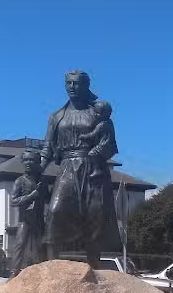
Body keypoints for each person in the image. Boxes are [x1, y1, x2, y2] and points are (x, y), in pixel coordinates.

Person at [42, 70, 121, 269]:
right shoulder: (57, 116)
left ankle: (93, 267)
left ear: (86, 86)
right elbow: (47, 148)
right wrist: (37, 171)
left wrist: (97, 153)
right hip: (67, 168)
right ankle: (52, 268)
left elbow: (110, 144)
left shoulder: (98, 113)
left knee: (94, 217)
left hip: (94, 170)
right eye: (68, 83)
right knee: (55, 212)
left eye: (76, 83)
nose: (72, 87)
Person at [10, 148, 49, 276]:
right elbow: (13, 201)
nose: (27, 162)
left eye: (31, 160)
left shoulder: (42, 181)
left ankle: (41, 272)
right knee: (20, 245)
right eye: (25, 160)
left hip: (39, 220)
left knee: (40, 247)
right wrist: (31, 196)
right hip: (25, 220)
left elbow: (48, 199)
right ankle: (13, 272)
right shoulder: (20, 181)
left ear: (37, 163)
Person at [76, 100, 113, 181]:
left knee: (92, 153)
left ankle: (97, 170)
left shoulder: (101, 125)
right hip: (109, 146)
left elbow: (92, 135)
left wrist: (83, 136)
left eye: (98, 113)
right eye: (95, 112)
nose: (95, 115)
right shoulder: (109, 122)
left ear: (105, 114)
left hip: (103, 145)